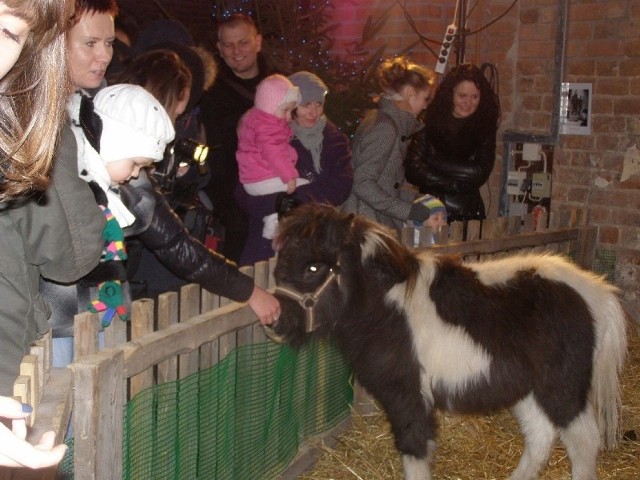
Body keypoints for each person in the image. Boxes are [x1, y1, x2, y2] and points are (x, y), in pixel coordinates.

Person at [0, 0, 106, 467]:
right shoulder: (30, 115)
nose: (103, 55)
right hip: (31, 336)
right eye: (88, 42)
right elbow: (70, 252)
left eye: (7, 33)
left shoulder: (88, 110)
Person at [235, 70, 353, 265]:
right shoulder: (268, 133)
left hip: (314, 236)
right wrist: (279, 204)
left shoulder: (334, 140)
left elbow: (342, 185)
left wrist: (297, 199)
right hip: (268, 244)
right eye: (306, 105)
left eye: (319, 105)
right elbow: (244, 194)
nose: (313, 113)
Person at [200, 13, 277, 262]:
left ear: (258, 42)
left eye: (243, 42)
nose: (236, 51)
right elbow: (213, 155)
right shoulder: (210, 93)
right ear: (220, 49)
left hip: (278, 195)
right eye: (228, 45)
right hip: (234, 204)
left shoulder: (281, 84)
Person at [342, 56, 437, 230]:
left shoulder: (386, 121)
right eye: (425, 99)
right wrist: (409, 211)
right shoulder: (386, 128)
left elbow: (386, 183)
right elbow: (362, 183)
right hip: (366, 223)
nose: (425, 106)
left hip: (370, 218)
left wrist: (418, 200)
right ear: (410, 93)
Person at [404, 63, 501, 223]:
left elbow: (479, 172)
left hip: (467, 213)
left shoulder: (484, 126)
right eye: (462, 96)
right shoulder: (429, 119)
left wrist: (432, 162)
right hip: (430, 211)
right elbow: (412, 170)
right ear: (450, 94)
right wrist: (454, 184)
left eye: (474, 97)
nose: (468, 103)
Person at [236, 74, 305, 240]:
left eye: (291, 110)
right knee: (304, 187)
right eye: (285, 110)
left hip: (255, 179)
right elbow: (274, 153)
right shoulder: (266, 127)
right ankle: (273, 223)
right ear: (270, 106)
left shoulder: (259, 120)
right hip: (262, 179)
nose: (289, 117)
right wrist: (289, 176)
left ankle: (273, 219)